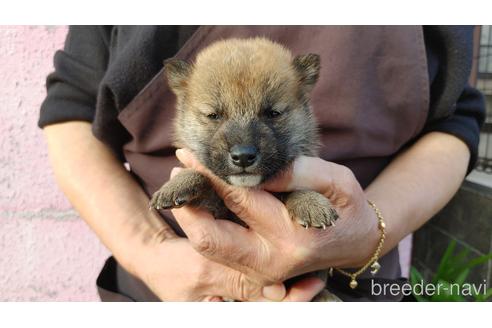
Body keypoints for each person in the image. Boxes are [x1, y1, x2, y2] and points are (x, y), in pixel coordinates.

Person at [39, 26, 485, 301]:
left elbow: (457, 117)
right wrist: (149, 250)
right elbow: (71, 108)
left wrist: (372, 229)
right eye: (214, 116)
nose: (243, 147)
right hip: (167, 292)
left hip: (352, 291)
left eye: (272, 114)